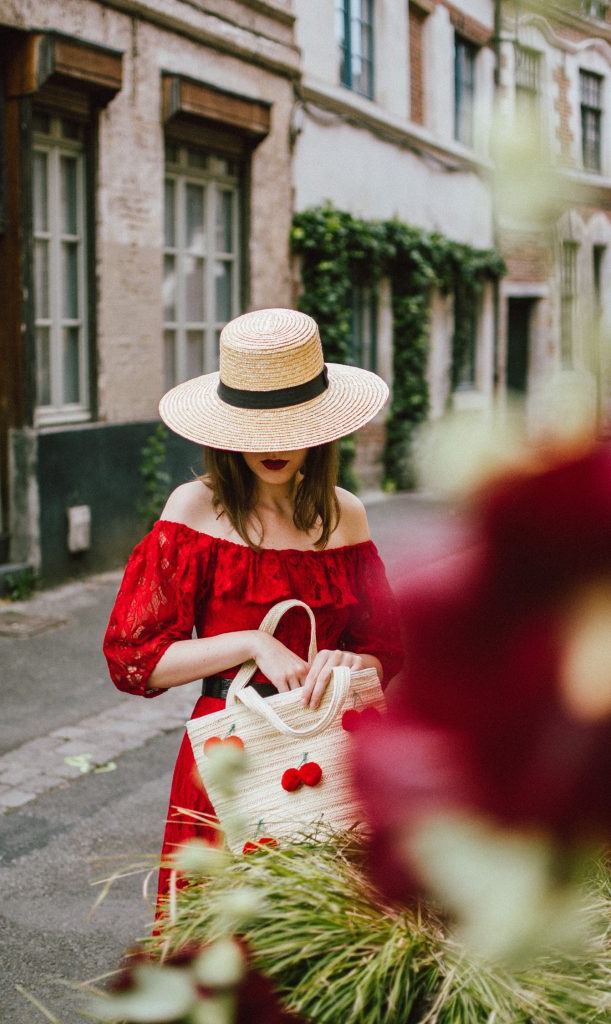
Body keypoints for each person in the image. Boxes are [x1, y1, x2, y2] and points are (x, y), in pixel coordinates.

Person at [103, 307, 404, 906]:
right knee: (226, 950)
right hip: (230, 754)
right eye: (257, 429)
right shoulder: (193, 509)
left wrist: (350, 663)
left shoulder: (346, 515)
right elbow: (135, 659)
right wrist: (252, 643)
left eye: (291, 427)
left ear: (321, 428)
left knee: (327, 953)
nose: (274, 446)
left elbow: (387, 652)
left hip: (333, 749)